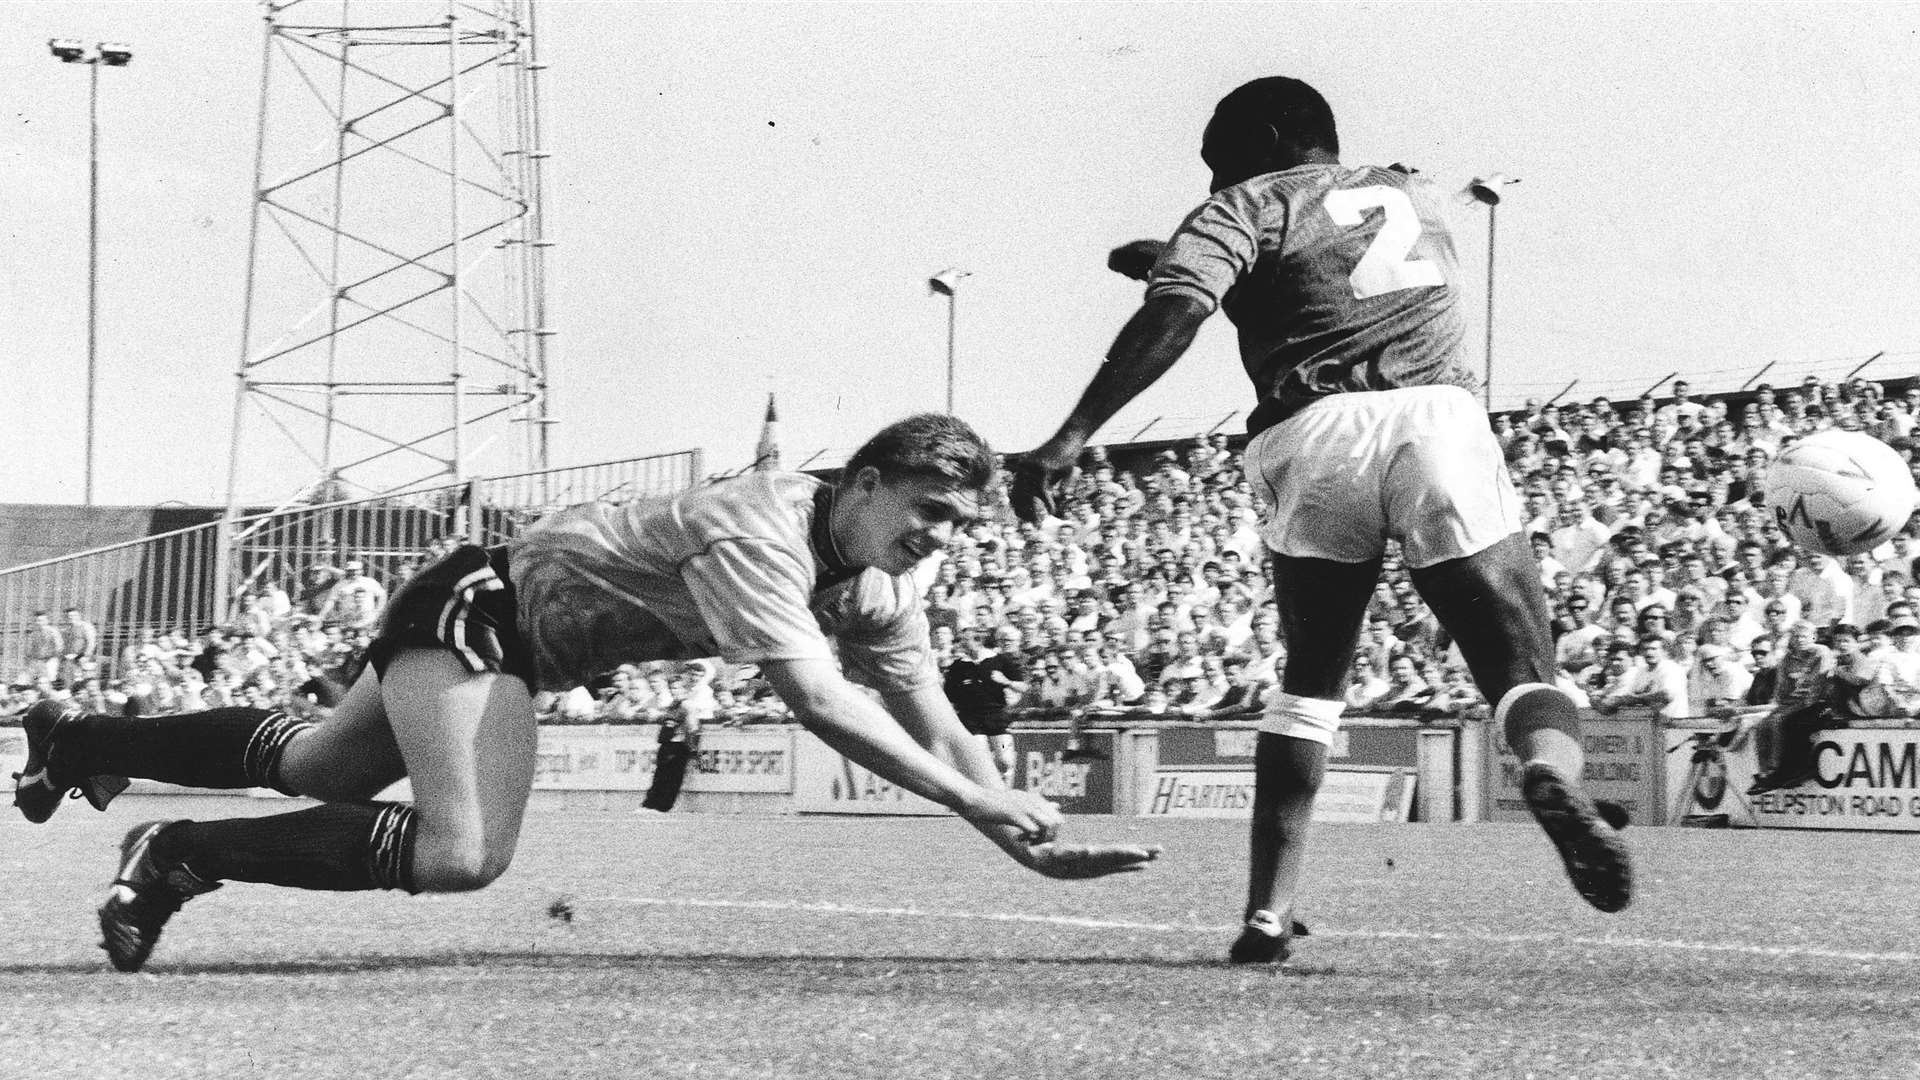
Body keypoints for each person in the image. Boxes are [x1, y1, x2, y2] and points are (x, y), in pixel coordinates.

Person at [15, 413, 1158, 973]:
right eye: (923, 510)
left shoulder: (874, 573)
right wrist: (978, 807)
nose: (935, 538)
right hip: (488, 608)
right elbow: (819, 702)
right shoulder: (763, 524)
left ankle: (79, 742)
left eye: (958, 524)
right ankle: (177, 852)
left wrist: (1020, 832)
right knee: (463, 853)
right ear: (859, 483)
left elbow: (934, 716)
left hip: (505, 620)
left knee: (318, 766)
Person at [1012, 76, 1630, 964]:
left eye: (1216, 155)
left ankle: (1268, 912)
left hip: (1314, 435)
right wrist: (1178, 251)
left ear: (1262, 136)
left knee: (1311, 686)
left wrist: (1073, 434)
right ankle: (1548, 774)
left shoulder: (1239, 207)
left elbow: (1186, 307)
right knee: (1523, 665)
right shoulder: (1413, 188)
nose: (1211, 176)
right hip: (1437, 421)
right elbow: (1338, 258)